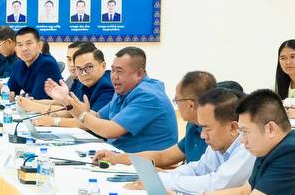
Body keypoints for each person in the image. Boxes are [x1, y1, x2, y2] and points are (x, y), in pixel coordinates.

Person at [202, 89, 295, 195]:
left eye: (245, 132)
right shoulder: (271, 146)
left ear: (270, 129)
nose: (242, 140)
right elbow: (245, 191)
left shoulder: (292, 153)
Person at [88, 70, 216, 166]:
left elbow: (208, 179)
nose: (114, 76)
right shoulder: (193, 126)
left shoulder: (215, 133)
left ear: (191, 105)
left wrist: (168, 176)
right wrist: (117, 158)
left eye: (177, 100)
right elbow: (163, 157)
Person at [66, 47, 179, 153]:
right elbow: (97, 116)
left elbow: (109, 131)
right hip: (120, 156)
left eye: (119, 71)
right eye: (113, 70)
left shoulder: (148, 96)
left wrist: (82, 115)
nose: (113, 76)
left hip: (145, 163)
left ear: (139, 74)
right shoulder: (124, 89)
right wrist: (71, 104)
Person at [20, 43, 113, 119]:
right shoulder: (81, 80)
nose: (72, 64)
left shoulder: (107, 86)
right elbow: (69, 107)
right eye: (69, 59)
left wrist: (39, 109)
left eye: (89, 67)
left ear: (103, 66)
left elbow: (91, 120)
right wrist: (34, 102)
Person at [0, 27, 62, 99]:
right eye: (20, 45)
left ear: (39, 46)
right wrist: (11, 95)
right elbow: (10, 91)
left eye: (28, 43)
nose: (24, 48)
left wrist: (22, 96)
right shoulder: (18, 65)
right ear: (16, 48)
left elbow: (37, 97)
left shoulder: (47, 64)